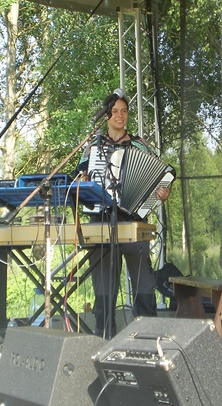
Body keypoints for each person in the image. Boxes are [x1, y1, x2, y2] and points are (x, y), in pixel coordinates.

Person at [76, 89, 172, 338]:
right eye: (115, 111)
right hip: (101, 219)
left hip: (133, 219)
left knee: (143, 283)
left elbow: (160, 179)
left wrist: (162, 193)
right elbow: (81, 180)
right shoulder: (93, 146)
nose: (120, 115)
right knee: (104, 285)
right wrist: (85, 180)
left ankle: (148, 337)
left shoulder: (139, 144)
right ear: (106, 116)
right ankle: (103, 336)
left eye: (124, 111)